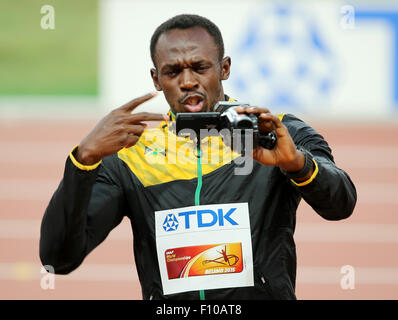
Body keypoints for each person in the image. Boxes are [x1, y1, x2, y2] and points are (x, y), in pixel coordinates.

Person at [40, 14, 357, 300]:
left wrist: (298, 164)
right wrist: (83, 160)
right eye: (173, 71)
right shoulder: (128, 156)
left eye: (199, 67)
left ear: (224, 68)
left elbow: (342, 204)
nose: (188, 80)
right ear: (156, 79)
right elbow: (59, 259)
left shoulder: (276, 132)